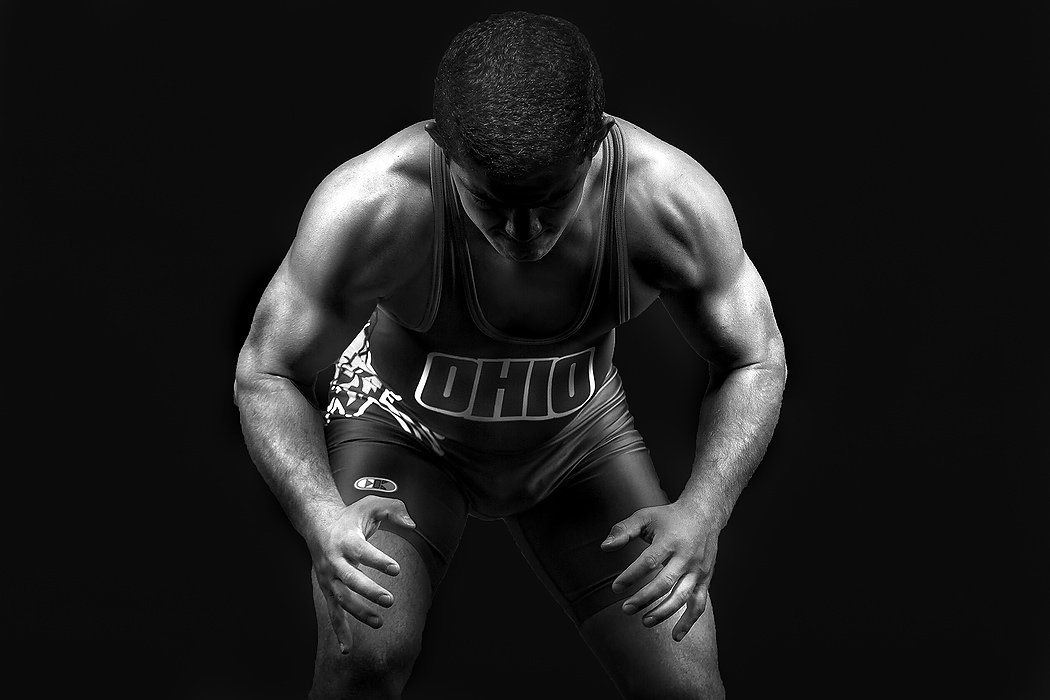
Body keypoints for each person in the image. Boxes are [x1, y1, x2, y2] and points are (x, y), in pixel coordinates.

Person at [234, 10, 786, 699]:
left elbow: (756, 358)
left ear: (597, 147)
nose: (523, 232)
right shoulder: (375, 203)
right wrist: (320, 513)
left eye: (551, 201)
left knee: (686, 686)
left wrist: (704, 511)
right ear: (446, 152)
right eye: (491, 203)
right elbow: (267, 370)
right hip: (402, 429)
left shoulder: (667, 199)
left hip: (575, 443)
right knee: (365, 658)